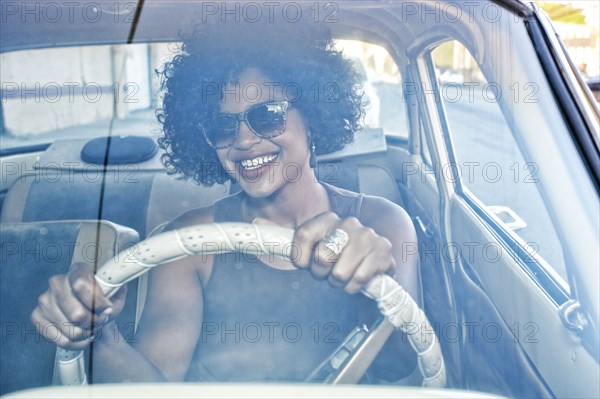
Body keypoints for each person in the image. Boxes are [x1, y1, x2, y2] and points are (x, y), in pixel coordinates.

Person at [31, 18, 419, 383]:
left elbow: (404, 369)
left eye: (267, 116)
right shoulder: (188, 243)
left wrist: (376, 287)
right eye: (222, 126)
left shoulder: (383, 225)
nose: (244, 140)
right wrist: (99, 332)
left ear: (314, 116)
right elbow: (157, 385)